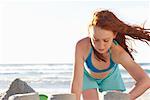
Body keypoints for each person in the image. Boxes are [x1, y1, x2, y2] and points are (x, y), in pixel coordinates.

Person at [71, 10, 150, 100]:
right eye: (96, 40)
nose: (100, 46)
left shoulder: (119, 54)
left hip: (110, 77)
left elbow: (145, 81)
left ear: (114, 35)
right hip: (88, 77)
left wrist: (125, 98)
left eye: (106, 40)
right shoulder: (82, 46)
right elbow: (77, 83)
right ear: (90, 34)